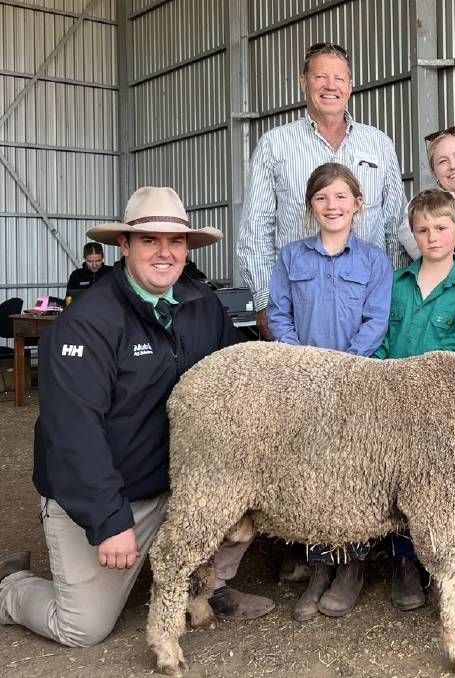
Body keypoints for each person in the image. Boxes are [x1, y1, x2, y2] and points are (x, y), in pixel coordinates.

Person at [0, 187, 274, 647]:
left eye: (176, 241)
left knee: (252, 499)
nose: (165, 253)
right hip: (113, 490)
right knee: (83, 627)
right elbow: (73, 434)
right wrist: (109, 521)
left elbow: (240, 372)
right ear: (124, 245)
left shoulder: (201, 304)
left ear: (188, 248)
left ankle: (208, 585)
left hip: (176, 479)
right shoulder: (87, 323)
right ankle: (10, 587)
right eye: (150, 240)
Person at [268, 163, 393, 620]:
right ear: (310, 207)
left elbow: (376, 321)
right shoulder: (290, 258)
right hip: (302, 382)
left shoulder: (374, 261)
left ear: (358, 205)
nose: (332, 206)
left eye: (341, 197)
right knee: (310, 471)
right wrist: (302, 364)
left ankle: (353, 566)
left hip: (355, 380)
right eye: (322, 198)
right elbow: (278, 315)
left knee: (356, 471)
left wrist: (343, 369)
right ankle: (319, 565)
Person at [238, 41, 405, 341]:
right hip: (299, 313)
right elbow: (255, 230)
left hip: (367, 309)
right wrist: (265, 302)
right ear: (304, 82)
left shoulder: (379, 144)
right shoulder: (275, 145)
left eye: (339, 78)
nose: (331, 86)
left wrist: (388, 300)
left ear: (351, 86)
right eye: (320, 77)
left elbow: (395, 226)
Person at [374, 188, 455, 610]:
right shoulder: (397, 284)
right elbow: (381, 339)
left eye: (440, 228)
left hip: (437, 407)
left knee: (435, 487)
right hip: (392, 399)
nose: (432, 237)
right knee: (392, 480)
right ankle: (402, 562)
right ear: (413, 235)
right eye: (422, 230)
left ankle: (439, 565)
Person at [397, 126, 455, 260]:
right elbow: (430, 260)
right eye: (442, 161)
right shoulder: (421, 207)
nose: (453, 165)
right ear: (434, 172)